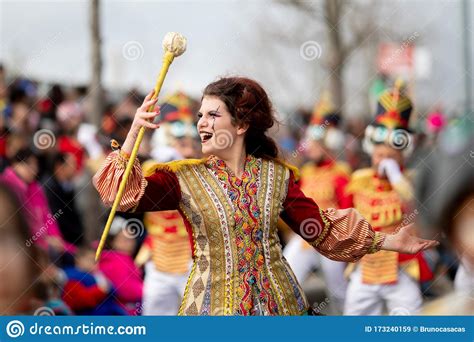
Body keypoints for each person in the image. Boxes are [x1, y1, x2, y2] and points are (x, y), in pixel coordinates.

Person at [94, 76, 438, 316]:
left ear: (241, 125)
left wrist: (389, 241)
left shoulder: (277, 176)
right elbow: (121, 194)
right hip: (211, 311)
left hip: (278, 308)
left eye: (213, 115)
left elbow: (321, 230)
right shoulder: (184, 178)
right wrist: (134, 133)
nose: (201, 123)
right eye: (200, 115)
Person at [343, 82, 434, 315]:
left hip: (400, 267)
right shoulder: (359, 179)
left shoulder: (411, 181)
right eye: (379, 154)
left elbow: (420, 210)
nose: (383, 159)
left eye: (390, 156)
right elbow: (344, 216)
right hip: (365, 267)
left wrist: (396, 179)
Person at [283, 92, 351, 313]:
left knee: (338, 290)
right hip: (305, 238)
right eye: (307, 142)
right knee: (285, 277)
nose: (308, 147)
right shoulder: (304, 171)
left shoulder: (341, 173)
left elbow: (349, 208)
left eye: (314, 143)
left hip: (331, 238)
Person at [135, 92, 198, 315]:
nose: (188, 148)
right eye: (182, 142)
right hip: (159, 258)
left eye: (192, 142)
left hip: (192, 259)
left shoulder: (198, 171)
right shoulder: (149, 168)